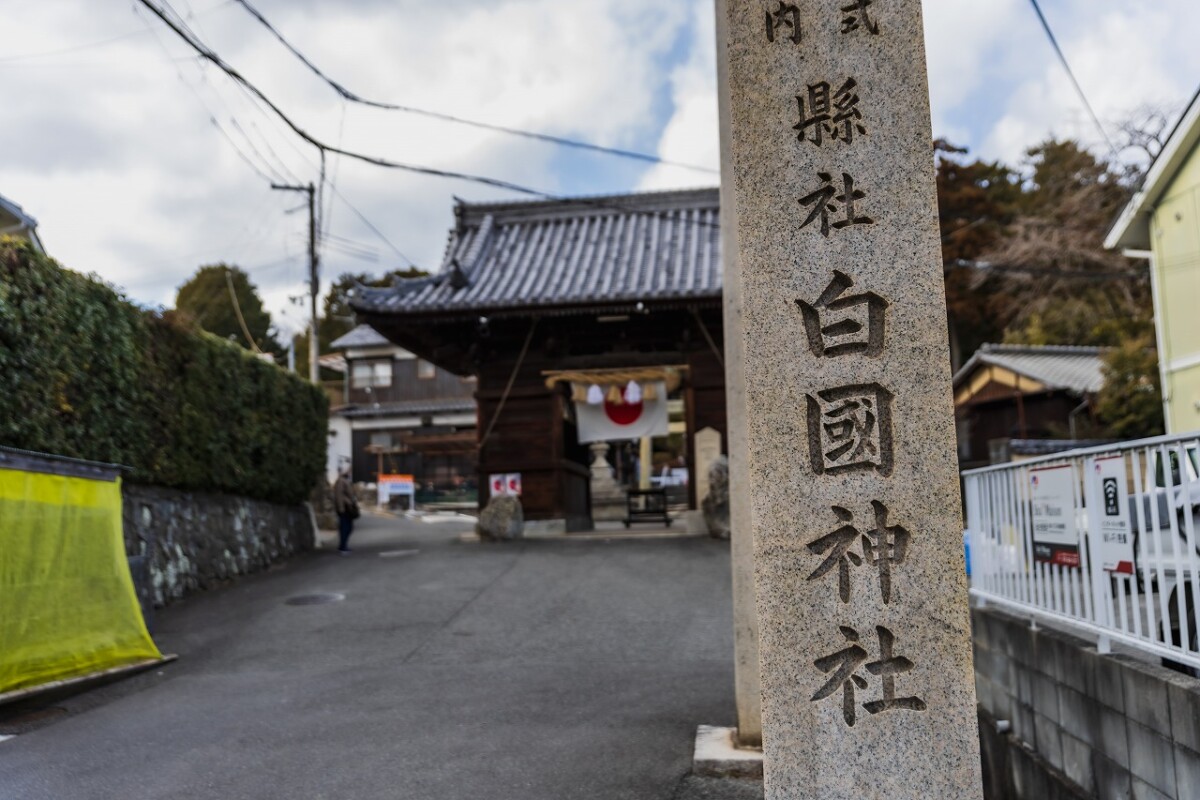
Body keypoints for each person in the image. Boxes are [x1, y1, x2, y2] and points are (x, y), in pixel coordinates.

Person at [333, 467, 358, 554]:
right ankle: (343, 547)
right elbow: (339, 495)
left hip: (348, 507)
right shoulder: (341, 481)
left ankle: (343, 545)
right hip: (345, 508)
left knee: (348, 527)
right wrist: (341, 509)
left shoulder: (346, 480)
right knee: (345, 527)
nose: (349, 472)